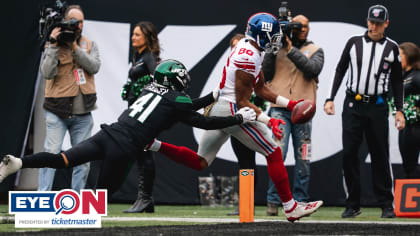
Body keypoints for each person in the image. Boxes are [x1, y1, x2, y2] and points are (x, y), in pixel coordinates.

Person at [145, 13, 323, 222]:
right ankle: (290, 207)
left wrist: (291, 104)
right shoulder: (248, 55)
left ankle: (154, 144)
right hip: (229, 108)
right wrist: (268, 120)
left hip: (219, 106)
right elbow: (242, 102)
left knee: (200, 162)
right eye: (273, 35)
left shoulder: (252, 48)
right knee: (273, 151)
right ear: (262, 35)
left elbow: (261, 88)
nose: (277, 40)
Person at [0, 59, 257, 200]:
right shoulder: (176, 100)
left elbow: (182, 106)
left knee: (62, 160)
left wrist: (210, 97)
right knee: (98, 199)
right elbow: (202, 121)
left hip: (106, 134)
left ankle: (18, 162)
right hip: (123, 147)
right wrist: (237, 120)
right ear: (175, 80)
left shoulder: (149, 89)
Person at [323, 5, 405, 218]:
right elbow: (340, 69)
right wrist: (330, 98)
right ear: (367, 21)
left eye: (379, 23)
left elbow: (397, 81)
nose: (374, 26)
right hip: (353, 104)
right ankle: (353, 203)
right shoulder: (354, 43)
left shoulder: (392, 48)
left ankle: (387, 203)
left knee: (380, 154)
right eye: (371, 22)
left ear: (386, 23)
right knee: (349, 154)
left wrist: (399, 110)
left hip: (377, 106)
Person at [262, 14, 324, 216]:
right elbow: (266, 74)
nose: (301, 29)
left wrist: (290, 49)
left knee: (303, 158)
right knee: (277, 153)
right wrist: (274, 46)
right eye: (298, 26)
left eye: (305, 26)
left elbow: (311, 69)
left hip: (304, 111)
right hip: (280, 108)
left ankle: (301, 201)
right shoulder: (277, 48)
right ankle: (273, 200)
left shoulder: (315, 50)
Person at [38, 5, 101, 192]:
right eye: (74, 21)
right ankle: (42, 198)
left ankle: (77, 200)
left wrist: (74, 47)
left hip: (83, 114)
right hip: (57, 111)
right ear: (65, 21)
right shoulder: (52, 44)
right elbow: (47, 73)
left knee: (82, 161)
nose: (78, 25)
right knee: (50, 155)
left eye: (81, 21)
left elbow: (94, 67)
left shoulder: (89, 44)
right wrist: (53, 45)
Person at [121, 21, 160, 214]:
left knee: (145, 152)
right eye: (133, 34)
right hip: (135, 111)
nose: (133, 37)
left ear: (147, 37)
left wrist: (144, 94)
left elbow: (159, 79)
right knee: (140, 153)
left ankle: (145, 198)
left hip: (144, 114)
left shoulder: (149, 57)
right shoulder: (138, 56)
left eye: (137, 35)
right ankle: (145, 199)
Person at [396, 42, 420, 178]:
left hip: (416, 127)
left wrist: (415, 104)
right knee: (408, 165)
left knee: (411, 166)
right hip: (406, 126)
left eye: (400, 55)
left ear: (409, 56)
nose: (398, 59)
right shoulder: (403, 76)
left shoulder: (416, 76)